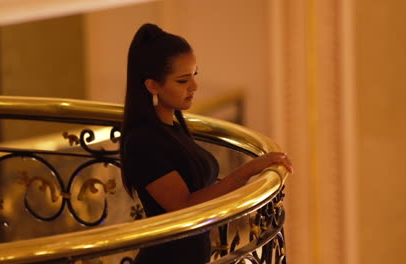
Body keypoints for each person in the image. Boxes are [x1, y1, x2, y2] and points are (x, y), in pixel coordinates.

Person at [121, 23, 293, 264]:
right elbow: (185, 206)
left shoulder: (173, 127)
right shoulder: (143, 141)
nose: (194, 86)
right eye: (182, 81)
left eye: (194, 75)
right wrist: (249, 170)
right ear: (152, 86)